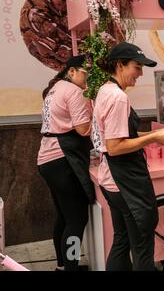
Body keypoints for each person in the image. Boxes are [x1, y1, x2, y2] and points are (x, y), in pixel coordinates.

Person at [92, 42, 164, 270]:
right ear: (120, 65)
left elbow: (122, 134)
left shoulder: (105, 90)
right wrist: (153, 139)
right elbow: (115, 146)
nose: (140, 73)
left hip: (110, 181)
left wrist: (154, 133)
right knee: (142, 249)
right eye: (136, 67)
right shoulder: (118, 98)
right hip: (125, 183)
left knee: (121, 241)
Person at [37, 55, 95, 271]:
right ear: (71, 71)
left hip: (47, 159)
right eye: (85, 73)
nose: (87, 79)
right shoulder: (74, 91)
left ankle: (63, 266)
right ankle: (71, 268)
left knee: (63, 216)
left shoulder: (56, 88)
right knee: (76, 220)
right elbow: (83, 129)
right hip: (62, 160)